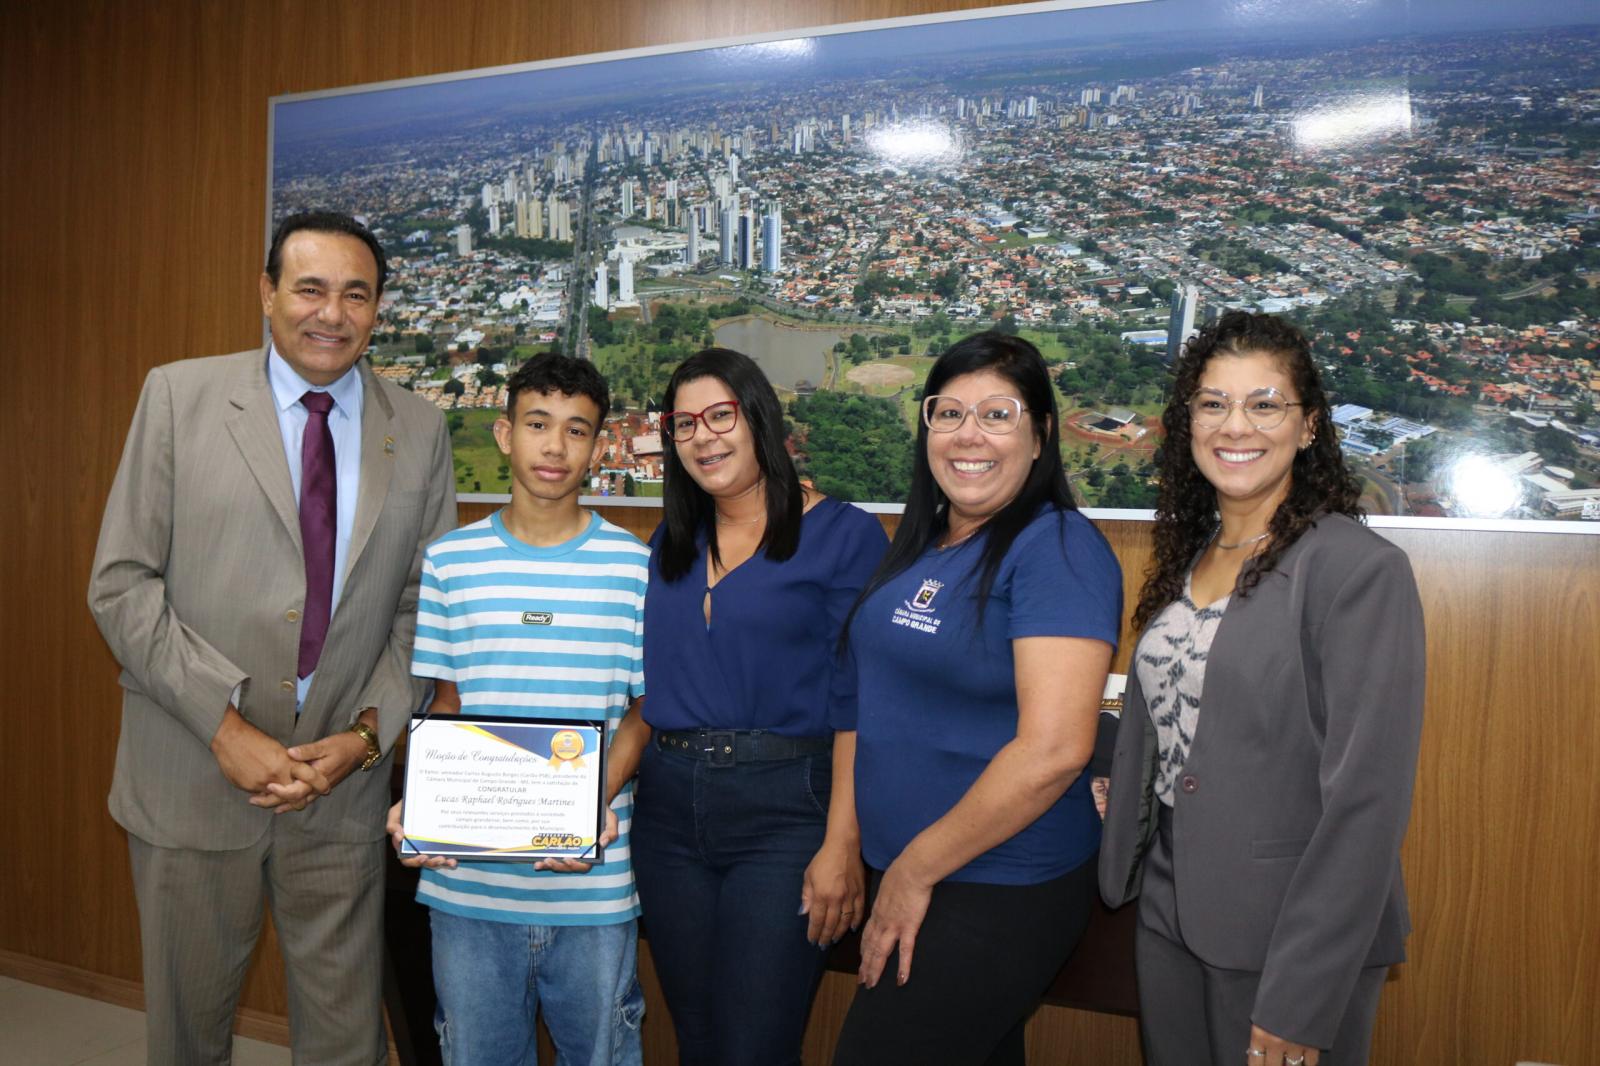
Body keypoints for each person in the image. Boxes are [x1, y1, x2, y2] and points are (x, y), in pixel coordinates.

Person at [87, 210, 456, 1064]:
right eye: (310, 288)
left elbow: (420, 612)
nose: (332, 313)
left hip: (341, 792)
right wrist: (226, 728)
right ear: (267, 294)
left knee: (345, 1039)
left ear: (378, 310)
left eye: (355, 295)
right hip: (191, 775)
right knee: (188, 1037)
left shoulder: (422, 428)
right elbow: (121, 583)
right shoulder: (179, 397)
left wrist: (365, 738)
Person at [1098, 310, 1425, 1066]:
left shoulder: (1356, 569)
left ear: (1308, 426)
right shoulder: (1192, 554)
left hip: (1287, 935)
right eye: (1212, 403)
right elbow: (1185, 712)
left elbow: (1366, 804)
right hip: (1169, 908)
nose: (1234, 425)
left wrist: (1302, 998)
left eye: (1264, 403)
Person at [831, 332, 1122, 1066]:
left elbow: (1055, 750)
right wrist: (849, 844)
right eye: (949, 412)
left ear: (1040, 435)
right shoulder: (924, 546)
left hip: (994, 881)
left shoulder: (1056, 547)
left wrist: (912, 871)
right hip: (917, 869)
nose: (969, 435)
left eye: (998, 414)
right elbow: (865, 699)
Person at [385, 353, 652, 1064]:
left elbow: (646, 711)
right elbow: (447, 704)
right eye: (538, 424)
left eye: (576, 430)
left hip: (591, 885)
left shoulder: (633, 567)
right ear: (505, 433)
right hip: (467, 889)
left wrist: (588, 801)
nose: (554, 447)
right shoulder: (451, 561)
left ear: (599, 446)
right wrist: (421, 803)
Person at [631, 347, 888, 1066]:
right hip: (669, 813)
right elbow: (651, 690)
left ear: (760, 422)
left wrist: (843, 845)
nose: (704, 437)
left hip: (786, 812)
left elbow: (857, 704)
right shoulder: (670, 543)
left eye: (722, 415)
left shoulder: (845, 535)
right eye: (684, 424)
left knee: (754, 1047)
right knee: (700, 1038)